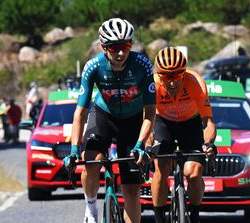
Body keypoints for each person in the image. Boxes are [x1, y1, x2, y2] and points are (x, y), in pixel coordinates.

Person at [63, 18, 156, 223]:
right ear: (103, 47)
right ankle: (91, 207)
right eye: (114, 47)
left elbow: (150, 112)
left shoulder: (142, 65)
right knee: (91, 162)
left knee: (132, 190)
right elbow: (80, 113)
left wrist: (141, 144)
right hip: (104, 116)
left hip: (133, 121)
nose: (121, 53)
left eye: (126, 46)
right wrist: (73, 150)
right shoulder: (93, 67)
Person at [150, 47, 217, 223]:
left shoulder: (196, 83)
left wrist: (208, 143)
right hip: (163, 122)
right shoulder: (152, 85)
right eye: (166, 77)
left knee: (193, 173)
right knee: (161, 169)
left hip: (190, 123)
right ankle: (159, 218)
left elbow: (208, 121)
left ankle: (194, 215)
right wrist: (148, 145)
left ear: (184, 73)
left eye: (177, 76)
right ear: (159, 75)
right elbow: (146, 120)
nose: (172, 83)